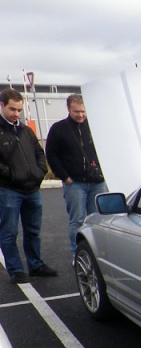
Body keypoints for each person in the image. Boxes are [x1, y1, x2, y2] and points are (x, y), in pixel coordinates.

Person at [0, 88, 57, 284]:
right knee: (9, 232)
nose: (16, 114)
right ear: (2, 106)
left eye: (19, 110)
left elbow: (39, 154)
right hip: (9, 191)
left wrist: (40, 172)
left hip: (32, 190)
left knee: (33, 231)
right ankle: (16, 270)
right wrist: (13, 175)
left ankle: (36, 265)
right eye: (12, 109)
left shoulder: (26, 131)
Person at [45, 94, 108, 258]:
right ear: (68, 109)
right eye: (76, 111)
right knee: (78, 221)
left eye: (83, 111)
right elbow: (51, 155)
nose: (80, 115)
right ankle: (78, 255)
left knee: (98, 221)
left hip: (98, 183)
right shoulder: (58, 129)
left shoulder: (95, 127)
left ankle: (96, 255)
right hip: (75, 183)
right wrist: (65, 177)